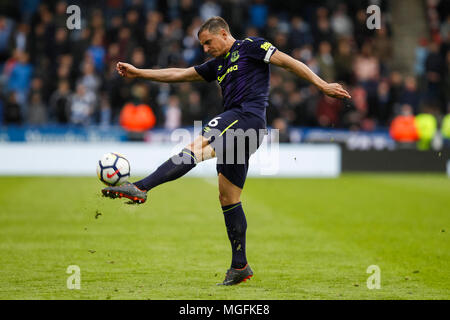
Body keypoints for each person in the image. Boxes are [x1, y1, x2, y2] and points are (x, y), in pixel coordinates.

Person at [102, 16, 351, 286]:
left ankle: (141, 187)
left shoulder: (251, 47)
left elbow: (290, 62)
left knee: (196, 145)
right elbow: (179, 74)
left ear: (223, 33)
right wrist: (139, 73)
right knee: (228, 197)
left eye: (208, 42)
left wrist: (322, 85)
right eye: (202, 45)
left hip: (246, 118)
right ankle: (239, 265)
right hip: (241, 130)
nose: (205, 49)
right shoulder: (218, 64)